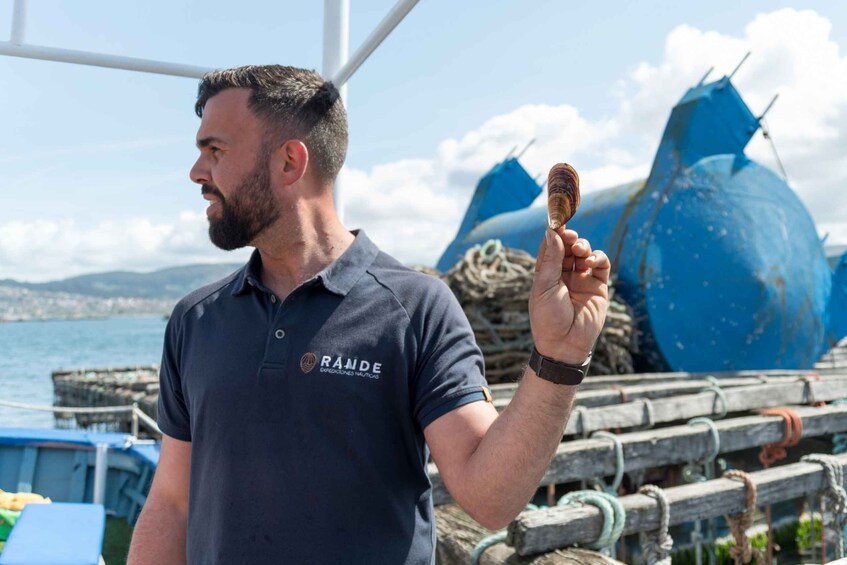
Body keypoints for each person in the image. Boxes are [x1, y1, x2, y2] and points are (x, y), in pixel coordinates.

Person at [127, 65, 611, 565]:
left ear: (290, 161)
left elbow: (490, 500)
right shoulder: (195, 320)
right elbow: (171, 504)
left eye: (215, 150)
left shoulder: (417, 308)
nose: (197, 172)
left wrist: (558, 355)